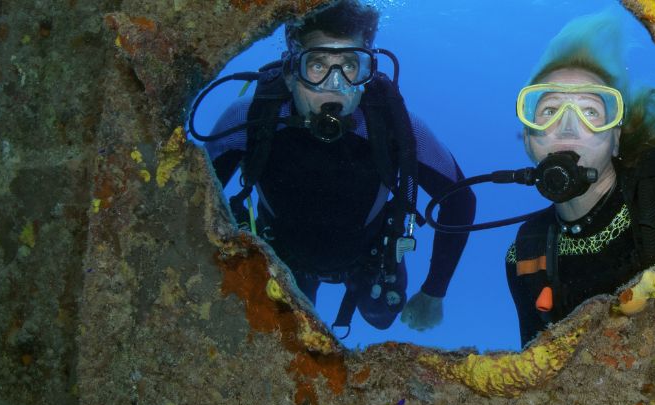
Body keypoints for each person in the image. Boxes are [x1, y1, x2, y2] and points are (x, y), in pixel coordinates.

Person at [203, 0, 475, 334]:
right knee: (282, 329)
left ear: (367, 72)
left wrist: (435, 290)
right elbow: (195, 197)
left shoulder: (394, 127)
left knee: (381, 316)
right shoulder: (250, 120)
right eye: (317, 64)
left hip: (368, 257)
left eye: (349, 64)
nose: (335, 84)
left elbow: (460, 199)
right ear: (290, 74)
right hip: (281, 255)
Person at [505, 11, 655, 347]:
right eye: (550, 110)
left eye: (590, 111)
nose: (567, 125)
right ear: (529, 140)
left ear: (615, 139)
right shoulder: (524, 255)